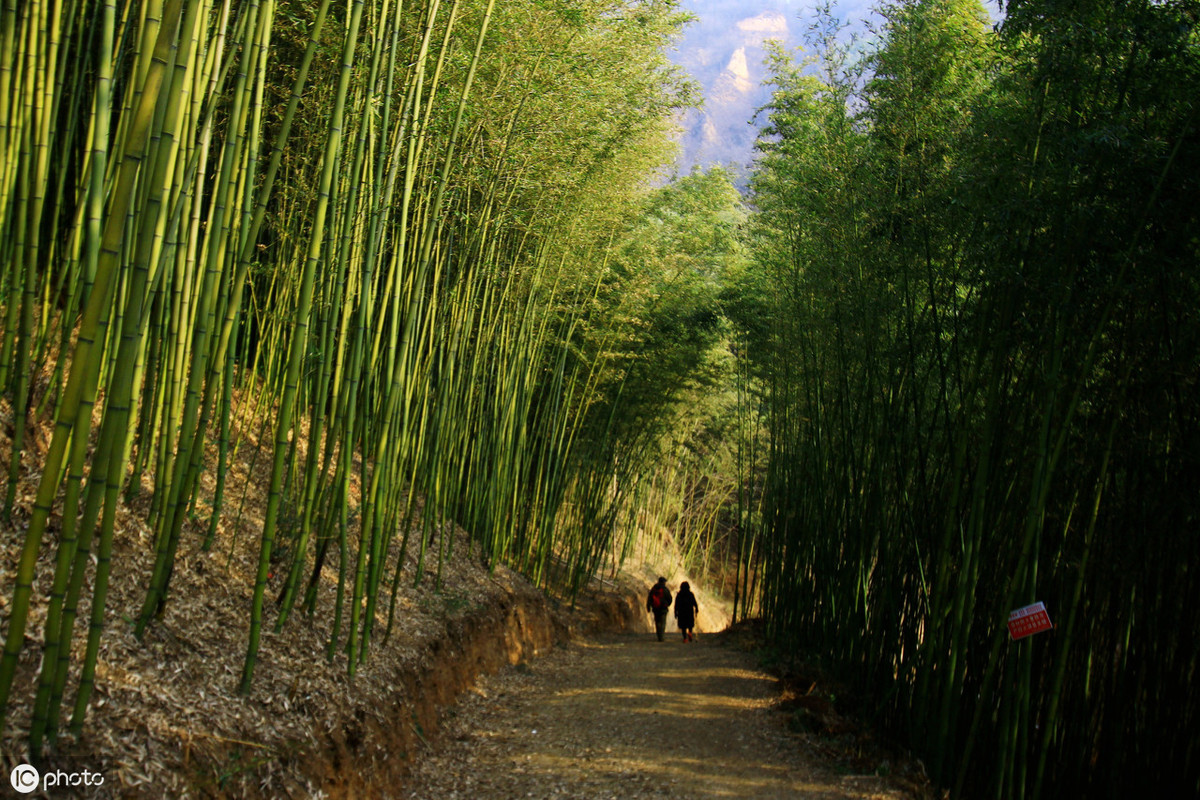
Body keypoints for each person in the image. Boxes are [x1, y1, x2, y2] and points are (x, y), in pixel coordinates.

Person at [646, 577, 672, 641]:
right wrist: (667, 604)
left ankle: (659, 636)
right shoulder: (665, 589)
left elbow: (649, 598)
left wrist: (648, 607)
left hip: (655, 608)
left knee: (657, 622)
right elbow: (670, 599)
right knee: (663, 623)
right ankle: (661, 637)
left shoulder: (654, 589)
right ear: (663, 582)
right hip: (663, 608)